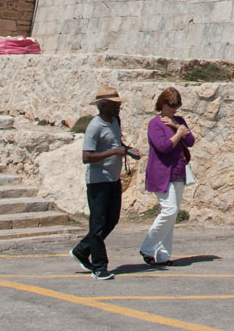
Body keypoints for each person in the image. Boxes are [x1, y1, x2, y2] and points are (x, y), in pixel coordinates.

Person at [74, 86, 139, 281]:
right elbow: (87, 157)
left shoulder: (115, 121)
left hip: (113, 178)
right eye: (114, 104)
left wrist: (127, 150)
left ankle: (82, 250)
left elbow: (116, 144)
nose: (119, 108)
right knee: (98, 224)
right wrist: (114, 152)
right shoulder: (95, 126)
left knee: (112, 220)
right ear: (104, 106)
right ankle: (99, 267)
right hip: (98, 181)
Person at [138, 87, 196, 266]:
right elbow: (163, 146)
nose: (174, 109)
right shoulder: (154, 124)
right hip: (162, 173)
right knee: (169, 210)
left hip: (178, 172)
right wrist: (178, 134)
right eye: (171, 105)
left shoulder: (178, 121)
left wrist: (177, 127)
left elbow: (191, 141)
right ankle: (147, 247)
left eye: (176, 106)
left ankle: (163, 255)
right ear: (162, 103)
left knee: (172, 215)